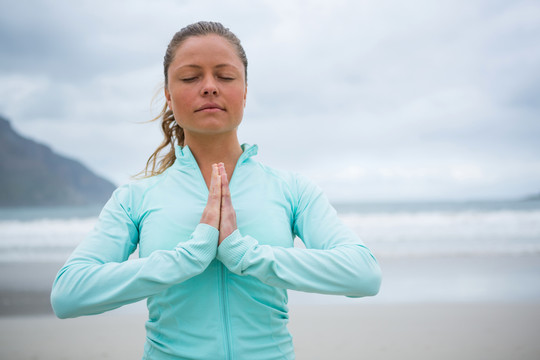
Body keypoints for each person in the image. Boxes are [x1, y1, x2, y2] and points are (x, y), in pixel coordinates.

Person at [50, 21, 382, 359]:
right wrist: (187, 258)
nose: (209, 87)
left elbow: (362, 274)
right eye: (191, 77)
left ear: (245, 91)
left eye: (224, 76)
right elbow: (69, 294)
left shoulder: (292, 190)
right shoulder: (135, 199)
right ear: (168, 94)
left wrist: (246, 256)